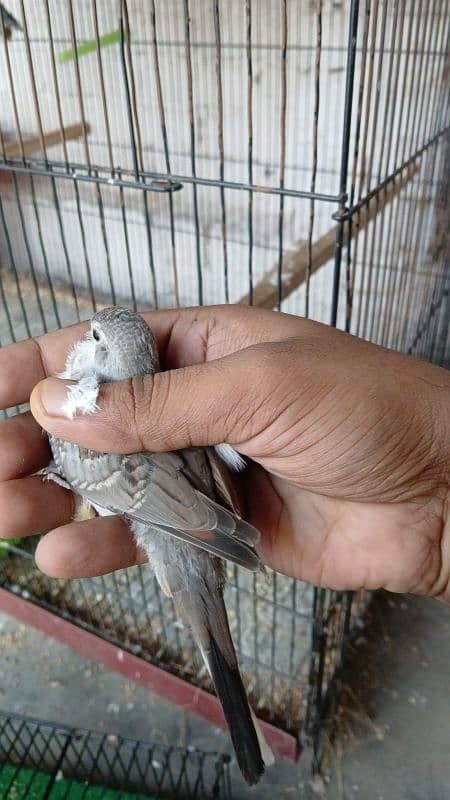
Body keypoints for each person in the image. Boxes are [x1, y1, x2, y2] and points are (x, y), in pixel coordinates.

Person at [0, 305, 448, 601]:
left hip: (174, 512)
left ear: (102, 349)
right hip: (181, 505)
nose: (85, 337)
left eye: (93, 333)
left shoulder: (87, 412)